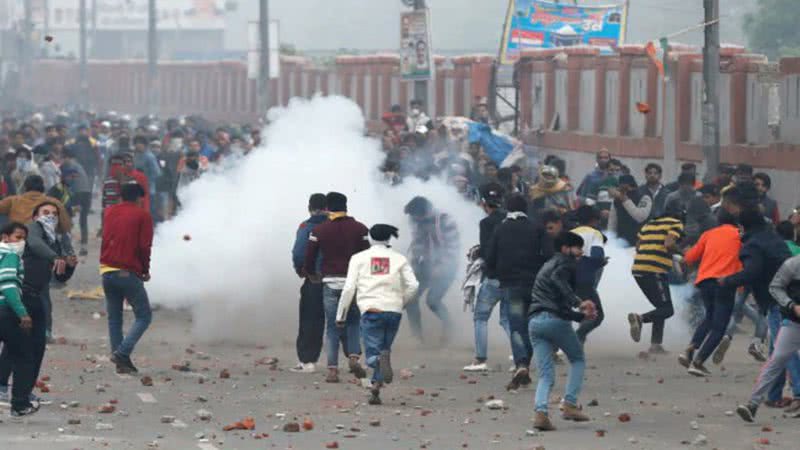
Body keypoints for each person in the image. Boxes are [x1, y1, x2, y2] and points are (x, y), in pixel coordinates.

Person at [0, 204, 76, 408]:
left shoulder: (57, 239)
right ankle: (9, 391)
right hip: (21, 294)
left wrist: (69, 265)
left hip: (38, 295)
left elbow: (59, 277)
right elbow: (34, 244)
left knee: (36, 346)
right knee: (18, 346)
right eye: (45, 212)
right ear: (34, 216)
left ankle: (23, 392)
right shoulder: (31, 232)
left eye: (54, 213)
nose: (50, 216)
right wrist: (55, 257)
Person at [336, 224, 419, 405]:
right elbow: (413, 285)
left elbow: (349, 288)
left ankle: (376, 364)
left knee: (374, 353)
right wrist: (402, 302)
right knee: (384, 350)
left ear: (369, 238)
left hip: (371, 310)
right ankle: (375, 389)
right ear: (389, 239)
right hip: (394, 312)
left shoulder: (358, 258)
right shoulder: (399, 259)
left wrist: (340, 315)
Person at [528, 231, 597, 431]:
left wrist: (579, 316)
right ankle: (570, 404)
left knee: (545, 375)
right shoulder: (565, 263)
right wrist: (579, 302)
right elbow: (559, 282)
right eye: (578, 247)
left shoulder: (546, 264)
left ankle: (540, 413)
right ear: (565, 248)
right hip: (554, 321)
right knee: (577, 359)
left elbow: (556, 303)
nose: (581, 252)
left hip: (535, 323)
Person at [303, 192, 370, 383]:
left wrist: (310, 274)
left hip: (330, 282)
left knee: (332, 327)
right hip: (353, 283)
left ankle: (332, 370)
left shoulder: (319, 231)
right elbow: (366, 254)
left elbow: (309, 257)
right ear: (346, 206)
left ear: (327, 208)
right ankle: (354, 357)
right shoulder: (360, 229)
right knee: (354, 322)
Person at [485, 195, 549, 391]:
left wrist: (497, 275)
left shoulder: (500, 229)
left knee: (516, 326)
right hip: (535, 285)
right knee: (532, 325)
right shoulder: (537, 228)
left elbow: (490, 258)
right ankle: (526, 365)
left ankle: (521, 363)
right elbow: (548, 254)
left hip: (511, 286)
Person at [736, 253, 800, 422]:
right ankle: (752, 405)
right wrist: (792, 305)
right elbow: (775, 287)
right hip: (793, 323)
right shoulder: (792, 264)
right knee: (776, 359)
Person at [678, 210, 742, 374]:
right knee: (720, 326)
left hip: (705, 281)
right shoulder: (740, 235)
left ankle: (689, 350)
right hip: (725, 283)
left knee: (709, 317)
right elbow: (744, 259)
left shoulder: (708, 234)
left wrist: (683, 254)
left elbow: (690, 258)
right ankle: (698, 362)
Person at [101, 183, 154, 374]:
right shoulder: (143, 215)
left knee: (115, 318)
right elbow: (144, 246)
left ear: (121, 196)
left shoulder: (109, 212)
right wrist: (145, 270)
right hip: (127, 271)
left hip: (106, 270)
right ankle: (122, 353)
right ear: (139, 197)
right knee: (144, 316)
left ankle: (120, 363)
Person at [464, 183, 510, 372]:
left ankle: (480, 358)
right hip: (512, 278)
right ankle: (520, 355)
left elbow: (488, 249)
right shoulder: (510, 219)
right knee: (508, 319)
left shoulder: (486, 223)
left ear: (484, 202)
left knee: (480, 317)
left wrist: (478, 253)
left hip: (493, 277)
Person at [627, 205, 685, 353]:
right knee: (667, 309)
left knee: (661, 308)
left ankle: (655, 345)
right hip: (654, 270)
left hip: (638, 269)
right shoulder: (675, 223)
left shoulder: (649, 224)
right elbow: (669, 243)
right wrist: (682, 253)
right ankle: (640, 319)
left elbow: (638, 246)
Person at [404, 196, 460, 344]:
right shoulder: (415, 220)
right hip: (425, 264)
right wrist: (413, 263)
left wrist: (441, 267)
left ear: (424, 212)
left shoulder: (445, 220)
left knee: (433, 301)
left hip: (447, 266)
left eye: (415, 215)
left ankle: (449, 326)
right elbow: (417, 242)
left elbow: (453, 248)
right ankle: (416, 337)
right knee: (411, 298)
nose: (413, 219)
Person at [0, 222, 38, 418]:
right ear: (5, 237)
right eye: (17, 237)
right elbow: (8, 286)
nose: (21, 242)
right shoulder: (10, 255)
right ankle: (20, 404)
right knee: (24, 356)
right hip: (5, 311)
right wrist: (22, 313)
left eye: (24, 238)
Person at [289, 194, 328, 374]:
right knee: (344, 322)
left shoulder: (306, 227)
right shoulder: (338, 226)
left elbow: (298, 253)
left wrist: (301, 270)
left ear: (309, 207)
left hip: (315, 280)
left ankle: (308, 360)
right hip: (341, 280)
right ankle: (352, 357)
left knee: (311, 319)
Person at [571, 205, 607, 343]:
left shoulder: (570, 233)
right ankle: (578, 337)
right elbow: (597, 256)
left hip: (566, 279)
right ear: (594, 220)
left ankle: (555, 350)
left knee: (564, 314)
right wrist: (601, 262)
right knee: (597, 316)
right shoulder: (594, 233)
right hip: (584, 280)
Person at [61, 147, 91, 255]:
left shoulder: (68, 166)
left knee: (67, 217)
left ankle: (68, 244)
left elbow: (68, 183)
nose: (63, 160)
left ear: (68, 157)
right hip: (87, 193)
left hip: (77, 194)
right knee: (83, 220)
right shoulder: (79, 165)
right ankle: (84, 246)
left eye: (64, 158)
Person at [608, 174, 652, 247]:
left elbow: (640, 217)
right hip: (622, 241)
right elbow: (612, 223)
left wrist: (625, 200)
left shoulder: (644, 197)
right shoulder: (616, 200)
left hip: (641, 240)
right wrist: (610, 239)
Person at [133, 136, 161, 218]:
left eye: (140, 143)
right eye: (136, 143)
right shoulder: (136, 156)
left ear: (145, 145)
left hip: (149, 188)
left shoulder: (150, 156)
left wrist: (147, 178)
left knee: (150, 210)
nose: (138, 145)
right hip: (138, 188)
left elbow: (157, 172)